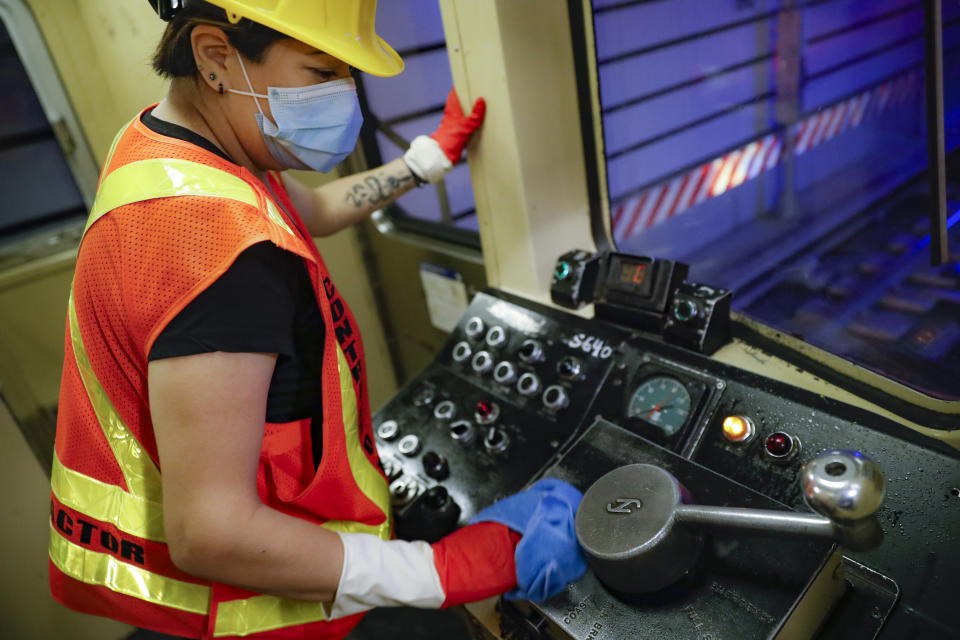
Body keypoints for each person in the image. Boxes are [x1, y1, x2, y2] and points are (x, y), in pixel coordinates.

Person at [48, 2, 584, 639]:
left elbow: (310, 208)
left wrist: (422, 164)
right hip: (257, 609)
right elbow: (210, 533)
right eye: (321, 70)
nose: (345, 99)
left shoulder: (168, 146)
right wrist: (445, 570)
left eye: (347, 75)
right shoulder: (220, 256)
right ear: (216, 55)